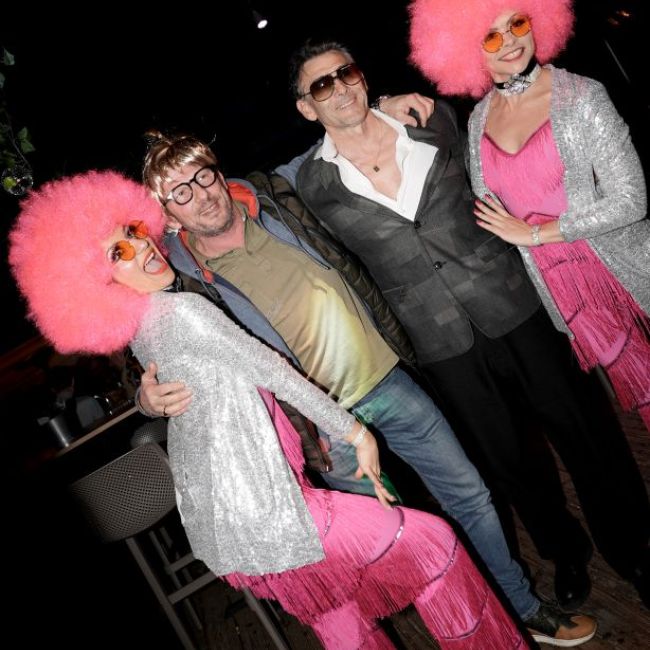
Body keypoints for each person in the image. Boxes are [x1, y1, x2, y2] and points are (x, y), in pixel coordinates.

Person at [9, 170, 529, 649]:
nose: (143, 246)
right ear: (97, 287)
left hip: (230, 529)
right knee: (433, 545)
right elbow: (271, 370)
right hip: (272, 511)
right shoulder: (181, 312)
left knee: (339, 613)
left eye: (134, 231)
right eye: (119, 252)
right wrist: (355, 432)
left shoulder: (146, 329)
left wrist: (150, 400)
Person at [137, 132, 596, 646]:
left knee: (471, 496)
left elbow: (334, 139)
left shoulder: (273, 196)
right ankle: (468, 628)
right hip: (324, 425)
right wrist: (145, 399)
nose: (201, 194)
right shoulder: (182, 280)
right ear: (168, 215)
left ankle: (519, 606)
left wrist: (391, 109)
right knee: (396, 537)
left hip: (387, 381)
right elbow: (147, 333)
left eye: (204, 176)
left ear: (218, 174)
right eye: (181, 192)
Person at [289, 38, 650, 612]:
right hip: (438, 342)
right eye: (322, 85)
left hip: (511, 301)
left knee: (582, 427)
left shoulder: (432, 121)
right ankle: (564, 551)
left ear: (362, 76)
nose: (340, 88)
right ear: (307, 107)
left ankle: (634, 546)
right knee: (509, 460)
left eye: (346, 72)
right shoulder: (311, 184)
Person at [409, 0, 650, 603]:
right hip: (557, 301)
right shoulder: (478, 121)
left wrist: (539, 233)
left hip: (618, 278)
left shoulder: (580, 95)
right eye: (489, 36)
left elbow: (632, 199)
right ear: (465, 53)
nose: (509, 41)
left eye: (517, 23)